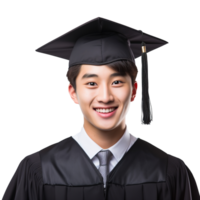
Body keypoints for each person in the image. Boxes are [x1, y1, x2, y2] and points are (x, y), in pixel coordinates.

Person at [1, 16, 199, 200]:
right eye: (91, 84)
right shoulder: (38, 170)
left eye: (117, 82)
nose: (105, 97)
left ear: (135, 90)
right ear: (72, 92)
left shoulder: (169, 171)